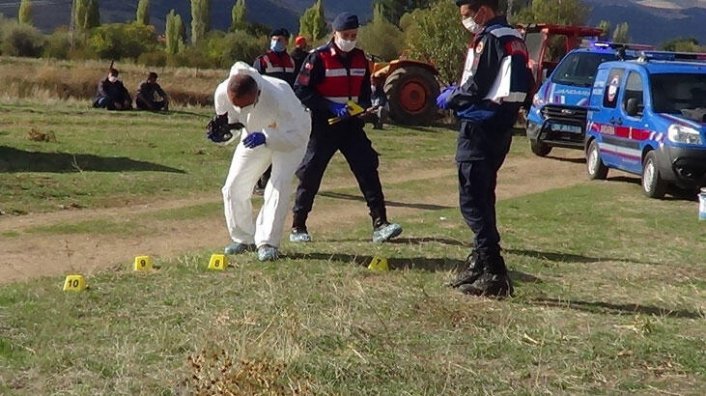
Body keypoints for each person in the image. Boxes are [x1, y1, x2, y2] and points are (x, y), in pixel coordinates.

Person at [437, 0, 533, 297]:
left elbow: (478, 85)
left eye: (467, 15)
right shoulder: (514, 37)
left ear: (483, 10)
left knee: (473, 200)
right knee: (484, 194)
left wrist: (451, 96)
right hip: (500, 127)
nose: (465, 21)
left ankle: (494, 270)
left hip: (480, 126)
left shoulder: (489, 38)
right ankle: (480, 259)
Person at [289, 12, 402, 244]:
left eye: (353, 35)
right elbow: (301, 90)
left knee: (368, 168)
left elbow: (363, 92)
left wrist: (362, 107)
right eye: (345, 35)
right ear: (335, 33)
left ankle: (381, 223)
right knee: (311, 172)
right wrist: (329, 106)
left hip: (351, 124)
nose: (349, 40)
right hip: (324, 125)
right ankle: (298, 226)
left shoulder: (361, 58)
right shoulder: (317, 58)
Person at [210, 62, 310, 261]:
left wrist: (268, 138)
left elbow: (297, 136)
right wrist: (222, 134)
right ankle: (243, 238)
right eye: (236, 105)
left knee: (277, 184)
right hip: (254, 135)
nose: (240, 109)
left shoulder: (279, 95)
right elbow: (232, 124)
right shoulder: (222, 93)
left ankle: (267, 242)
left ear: (257, 94)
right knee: (233, 186)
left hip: (290, 134)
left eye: (246, 105)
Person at [253, 28, 297, 193]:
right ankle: (259, 180)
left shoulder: (291, 62)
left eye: (280, 40)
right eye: (274, 39)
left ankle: (270, 179)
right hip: (265, 108)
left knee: (276, 143)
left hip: (284, 110)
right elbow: (254, 85)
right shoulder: (263, 61)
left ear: (286, 42)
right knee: (262, 144)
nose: (276, 42)